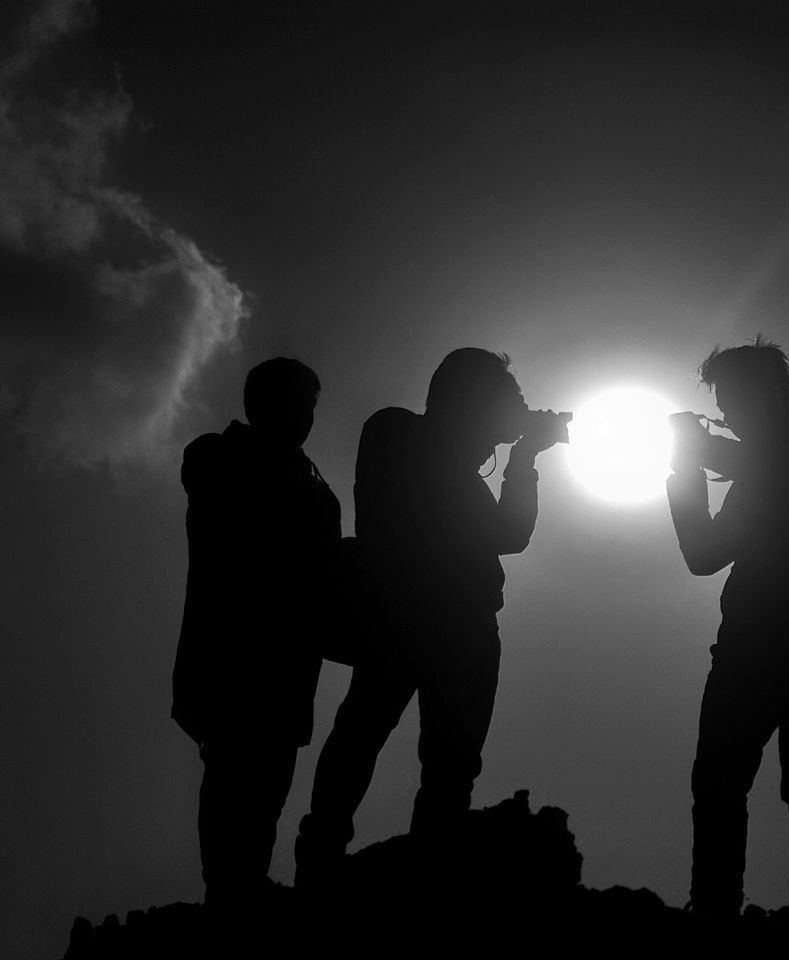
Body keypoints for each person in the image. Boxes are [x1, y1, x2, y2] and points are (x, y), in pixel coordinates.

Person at [295, 348, 565, 881]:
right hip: (407, 619)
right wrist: (521, 449)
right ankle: (327, 860)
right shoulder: (398, 434)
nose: (492, 439)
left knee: (443, 763)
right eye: (490, 420)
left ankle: (424, 867)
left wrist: (523, 453)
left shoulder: (433, 457)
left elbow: (509, 535)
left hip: (445, 626)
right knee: (364, 740)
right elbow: (502, 533)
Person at [666, 338, 789, 916]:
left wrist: (686, 473)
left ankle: (715, 910)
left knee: (720, 786)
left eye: (730, 400)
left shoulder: (776, 464)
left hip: (755, 650)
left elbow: (704, 554)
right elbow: (763, 457)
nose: (726, 414)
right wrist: (704, 451)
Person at [172, 357, 341, 907]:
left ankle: (241, 892)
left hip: (286, 669)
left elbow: (327, 577)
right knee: (233, 783)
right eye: (300, 404)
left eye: (311, 408)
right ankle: (229, 895)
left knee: (264, 790)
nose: (306, 418)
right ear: (266, 404)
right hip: (232, 660)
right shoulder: (220, 458)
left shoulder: (312, 486)